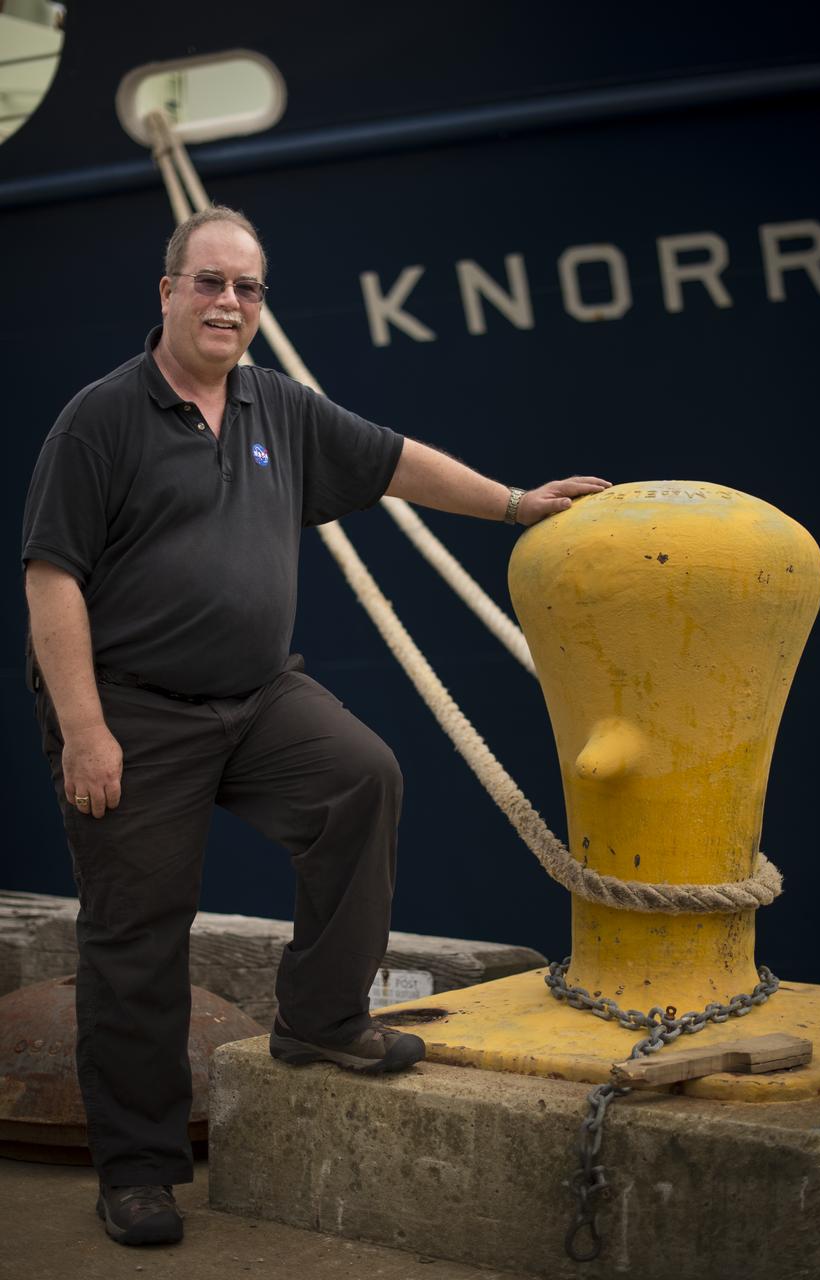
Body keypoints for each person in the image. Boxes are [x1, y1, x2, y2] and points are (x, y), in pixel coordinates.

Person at [21, 206, 611, 1247]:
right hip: (135, 713)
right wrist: (85, 728)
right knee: (137, 934)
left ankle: (320, 1017)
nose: (229, 304)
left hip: (255, 696)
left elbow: (394, 464)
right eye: (209, 283)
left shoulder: (273, 403)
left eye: (247, 288)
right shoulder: (101, 418)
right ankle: (140, 1169)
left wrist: (518, 505)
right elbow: (51, 577)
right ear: (166, 292)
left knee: (361, 776)